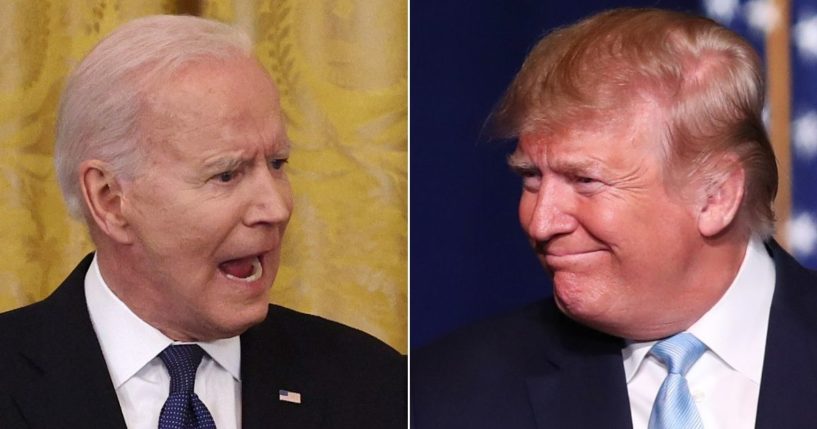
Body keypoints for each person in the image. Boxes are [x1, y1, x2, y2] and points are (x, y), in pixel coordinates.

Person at [412, 8, 817, 429]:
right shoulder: (438, 394)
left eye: (584, 180)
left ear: (716, 196)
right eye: (531, 177)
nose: (541, 223)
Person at [0, 15, 405, 428]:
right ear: (110, 200)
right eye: (226, 174)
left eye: (277, 163)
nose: (276, 208)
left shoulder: (376, 387)